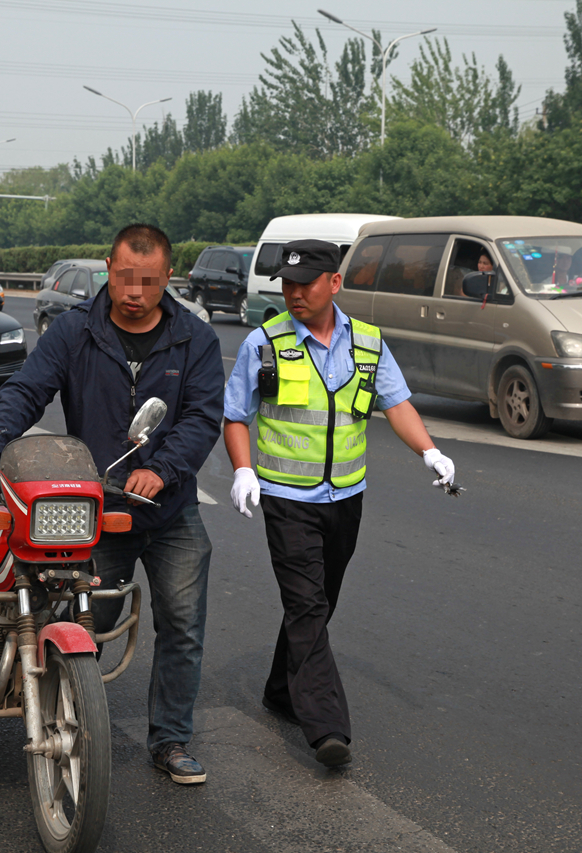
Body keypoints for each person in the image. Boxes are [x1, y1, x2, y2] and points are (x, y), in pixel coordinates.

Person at [0, 223, 223, 785]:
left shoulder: (196, 339)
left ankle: (170, 741)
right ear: (108, 268)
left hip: (168, 510)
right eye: (124, 278)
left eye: (148, 282)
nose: (134, 292)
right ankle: (62, 724)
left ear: (168, 277)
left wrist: (161, 470)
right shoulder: (75, 331)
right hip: (91, 513)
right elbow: (27, 390)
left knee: (183, 625)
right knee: (83, 621)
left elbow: (201, 418)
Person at [221, 239, 455, 768]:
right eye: (287, 284)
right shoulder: (264, 342)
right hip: (286, 499)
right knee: (306, 606)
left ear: (335, 284)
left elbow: (396, 404)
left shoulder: (369, 343)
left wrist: (430, 452)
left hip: (346, 497)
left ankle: (281, 690)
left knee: (319, 602)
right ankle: (326, 726)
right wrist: (242, 469)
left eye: (305, 283)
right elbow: (237, 414)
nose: (294, 293)